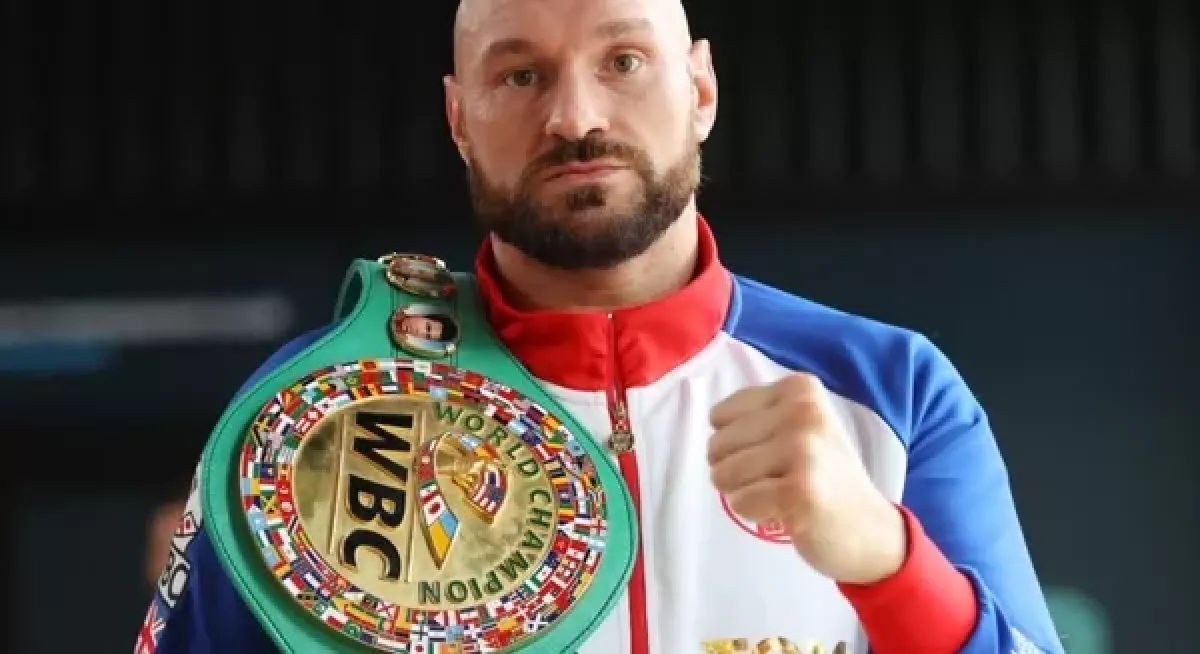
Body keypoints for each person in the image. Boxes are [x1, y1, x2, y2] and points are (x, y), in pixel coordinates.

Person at [136, 0, 1063, 651]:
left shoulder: (889, 391)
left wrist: (886, 560)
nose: (574, 118)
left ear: (701, 90)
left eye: (623, 61)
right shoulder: (321, 408)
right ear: (459, 119)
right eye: (521, 74)